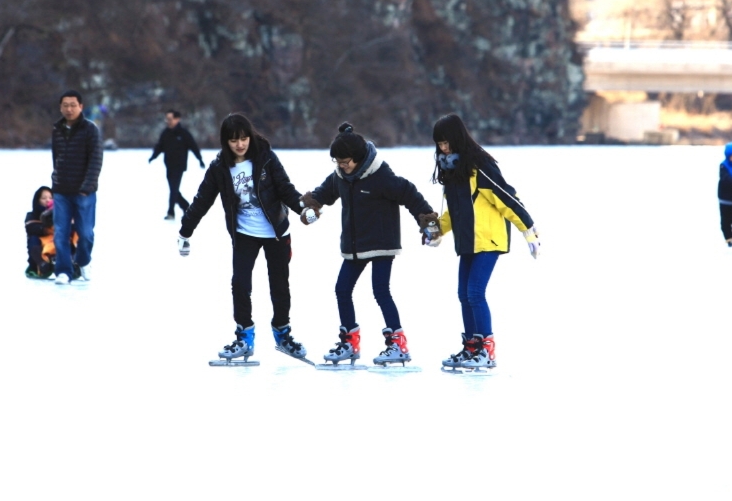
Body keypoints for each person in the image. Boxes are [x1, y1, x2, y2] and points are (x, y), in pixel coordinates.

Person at [300, 123, 438, 367]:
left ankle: (398, 344)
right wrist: (312, 206)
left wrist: (428, 222)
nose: (341, 166)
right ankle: (349, 343)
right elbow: (323, 194)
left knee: (380, 291)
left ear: (359, 158)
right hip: (354, 244)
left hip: (382, 243)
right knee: (342, 289)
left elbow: (410, 194)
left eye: (345, 161)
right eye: (338, 162)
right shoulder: (341, 176)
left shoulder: (381, 176)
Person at [178, 113, 308, 362]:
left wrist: (303, 208)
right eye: (234, 140)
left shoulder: (265, 157)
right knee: (239, 283)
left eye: (244, 138)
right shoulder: (220, 167)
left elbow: (285, 188)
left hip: (276, 232)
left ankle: (283, 334)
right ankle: (244, 336)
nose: (240, 144)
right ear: (225, 141)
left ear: (250, 137)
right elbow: (202, 199)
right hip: (244, 234)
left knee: (279, 285)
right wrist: (186, 230)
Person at [430, 114, 540, 370]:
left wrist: (529, 231)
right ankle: (471, 347)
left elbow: (508, 199)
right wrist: (437, 231)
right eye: (439, 144)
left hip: (489, 240)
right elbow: (453, 213)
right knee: (463, 295)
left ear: (457, 139)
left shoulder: (479, 167)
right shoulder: (452, 172)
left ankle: (486, 350)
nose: (443, 149)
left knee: (475, 293)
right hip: (468, 241)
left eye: (446, 143)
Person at [51, 89, 103, 285]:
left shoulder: (90, 130)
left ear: (81, 106)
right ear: (60, 107)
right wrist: (55, 181)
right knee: (60, 233)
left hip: (84, 191)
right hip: (61, 190)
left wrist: (87, 186)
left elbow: (96, 160)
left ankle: (83, 260)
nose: (69, 109)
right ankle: (64, 271)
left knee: (86, 233)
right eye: (65, 105)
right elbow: (56, 158)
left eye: (73, 105)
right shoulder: (57, 129)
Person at [149, 109, 205, 220]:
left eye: (170, 119)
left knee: (174, 189)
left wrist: (200, 159)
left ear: (177, 119)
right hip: (168, 165)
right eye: (167, 119)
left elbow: (193, 147)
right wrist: (153, 157)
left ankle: (171, 212)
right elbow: (160, 146)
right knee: (174, 190)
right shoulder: (165, 133)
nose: (168, 121)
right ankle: (187, 207)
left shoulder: (184, 134)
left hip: (179, 166)